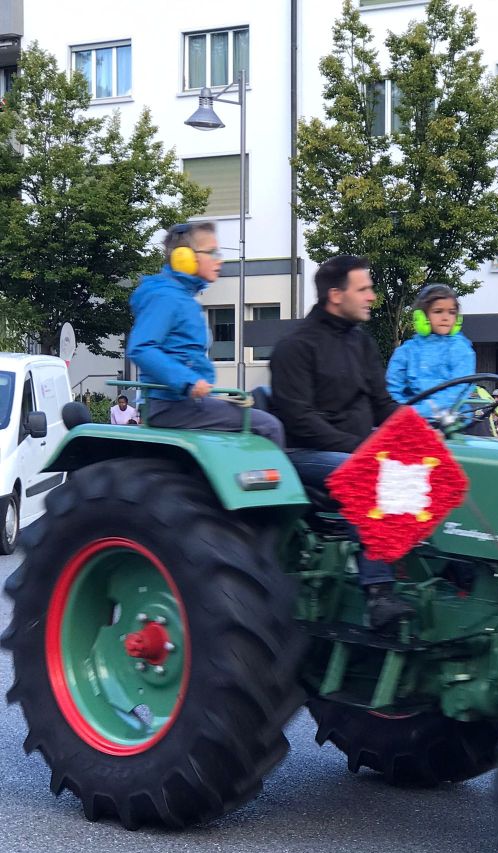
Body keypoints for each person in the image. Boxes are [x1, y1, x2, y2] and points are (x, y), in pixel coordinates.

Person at [270, 254, 410, 633]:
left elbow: (382, 403)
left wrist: (419, 432)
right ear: (335, 295)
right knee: (370, 476)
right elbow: (300, 420)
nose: (372, 297)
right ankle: (378, 594)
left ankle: (455, 575)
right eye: (363, 289)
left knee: (438, 466)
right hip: (305, 456)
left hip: (354, 450)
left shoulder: (361, 343)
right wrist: (361, 447)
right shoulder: (295, 347)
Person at [126, 222, 284, 446]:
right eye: (212, 252)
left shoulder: (182, 297)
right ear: (185, 258)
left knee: (264, 406)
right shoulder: (166, 297)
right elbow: (141, 348)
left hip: (183, 402)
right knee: (268, 426)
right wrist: (188, 381)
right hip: (170, 405)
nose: (219, 260)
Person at [385, 284, 475, 417]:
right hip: (412, 420)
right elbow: (393, 390)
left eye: (451, 312)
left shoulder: (462, 350)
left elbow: (460, 388)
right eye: (438, 311)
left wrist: (426, 410)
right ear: (422, 317)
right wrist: (405, 412)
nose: (445, 317)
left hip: (452, 420)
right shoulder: (406, 352)